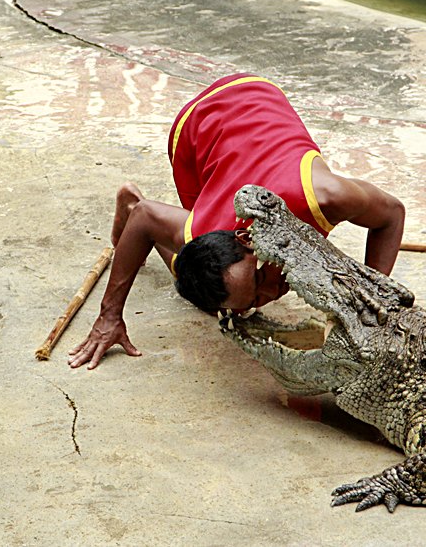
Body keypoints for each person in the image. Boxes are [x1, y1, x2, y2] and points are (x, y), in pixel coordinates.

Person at [68, 73, 405, 370]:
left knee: (219, 295)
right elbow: (147, 216)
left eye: (260, 277)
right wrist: (109, 317)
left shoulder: (325, 196)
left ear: (247, 238)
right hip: (200, 139)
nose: (274, 293)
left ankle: (134, 217)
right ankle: (131, 203)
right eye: (258, 297)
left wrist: (369, 304)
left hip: (243, 99)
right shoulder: (202, 233)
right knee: (202, 292)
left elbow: (391, 214)